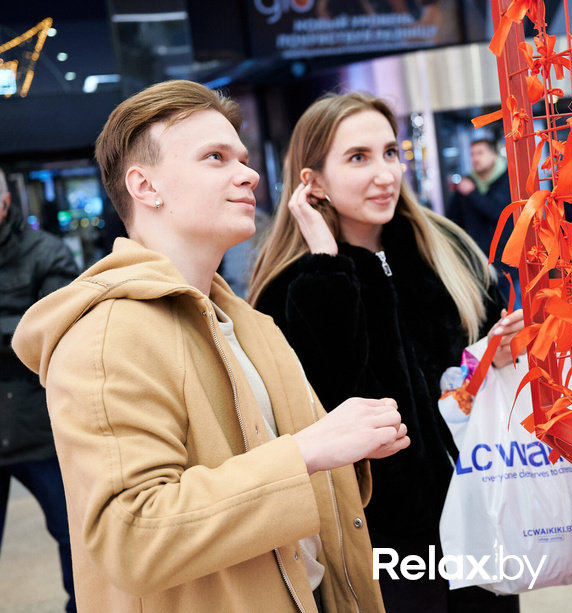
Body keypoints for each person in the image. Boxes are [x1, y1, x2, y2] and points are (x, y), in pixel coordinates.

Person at [11, 80, 409, 613]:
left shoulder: (246, 323)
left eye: (242, 158)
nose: (248, 174)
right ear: (145, 186)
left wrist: (346, 449)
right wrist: (309, 451)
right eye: (215, 158)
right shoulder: (107, 336)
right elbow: (134, 535)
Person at [248, 92, 525, 613]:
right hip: (381, 538)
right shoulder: (290, 288)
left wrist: (498, 352)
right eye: (359, 158)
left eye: (391, 152)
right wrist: (327, 267)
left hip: (479, 502)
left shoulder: (444, 248)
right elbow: (325, 404)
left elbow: (478, 357)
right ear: (313, 182)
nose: (385, 174)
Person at [0, 167, 80, 613]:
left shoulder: (46, 253)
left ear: (5, 203)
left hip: (38, 425)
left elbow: (52, 332)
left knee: (74, 536)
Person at [446, 135, 519, 308]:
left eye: (480, 153)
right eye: (472, 154)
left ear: (493, 155)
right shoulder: (466, 183)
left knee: (514, 313)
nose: (475, 159)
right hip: (477, 263)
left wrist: (473, 193)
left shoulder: (508, 179)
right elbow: (453, 219)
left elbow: (496, 212)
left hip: (506, 263)